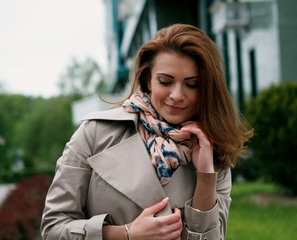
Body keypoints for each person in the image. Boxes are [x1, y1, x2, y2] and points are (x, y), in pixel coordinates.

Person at [41, 23, 253, 240]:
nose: (177, 95)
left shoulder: (211, 148)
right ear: (148, 80)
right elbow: (54, 228)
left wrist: (206, 175)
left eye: (192, 84)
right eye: (165, 81)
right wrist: (126, 233)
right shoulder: (95, 133)